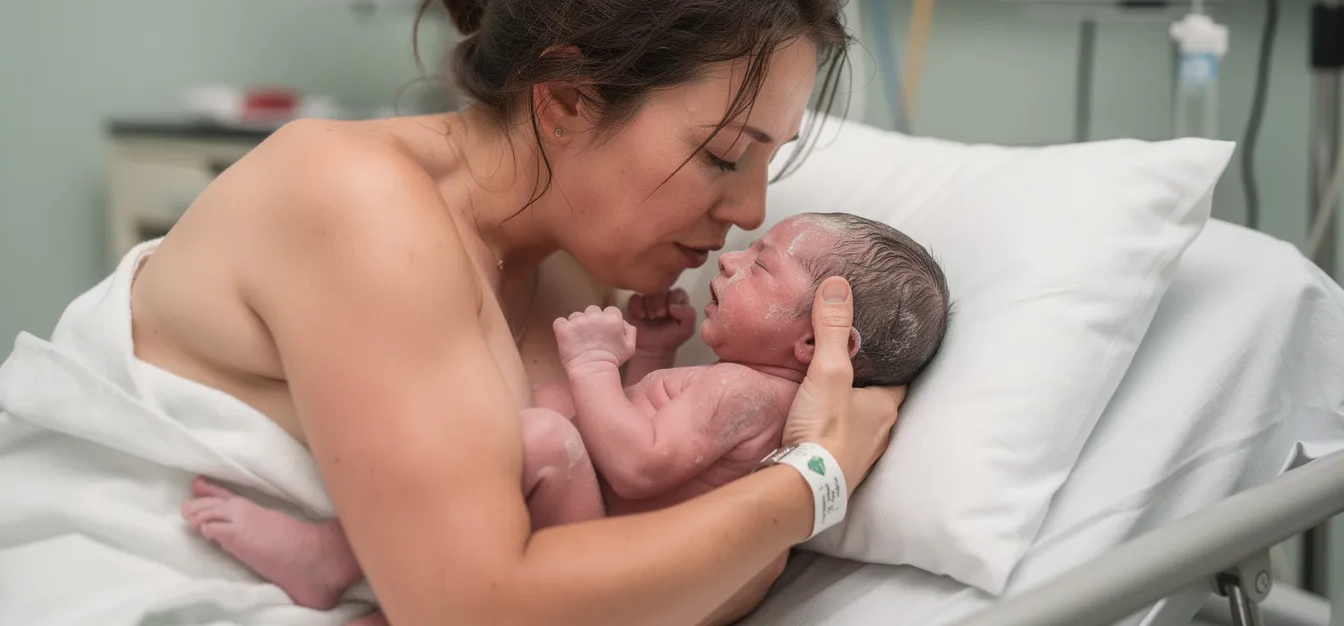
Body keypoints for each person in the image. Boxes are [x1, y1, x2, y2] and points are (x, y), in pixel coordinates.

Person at [0, 0, 907, 626]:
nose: (748, 211)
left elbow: (651, 579)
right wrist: (813, 478)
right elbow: (477, 607)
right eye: (722, 155)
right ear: (566, 96)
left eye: (768, 163)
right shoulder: (359, 208)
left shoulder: (581, 277)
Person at [177, 213, 951, 622]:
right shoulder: (740, 390)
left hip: (605, 576)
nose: (730, 260)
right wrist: (649, 354)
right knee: (552, 418)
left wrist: (590, 366)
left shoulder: (747, 394)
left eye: (763, 265)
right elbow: (658, 449)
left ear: (817, 339)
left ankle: (338, 558)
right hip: (609, 553)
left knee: (548, 427)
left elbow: (639, 464)